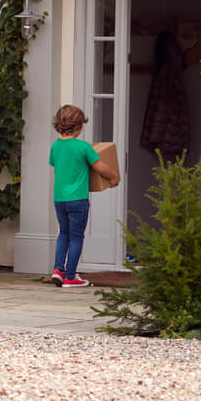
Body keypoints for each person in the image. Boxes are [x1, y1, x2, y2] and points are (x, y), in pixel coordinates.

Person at [49, 104, 120, 288]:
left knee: (63, 233)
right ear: (79, 126)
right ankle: (71, 276)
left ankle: (58, 270)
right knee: (76, 236)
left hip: (59, 199)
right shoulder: (83, 146)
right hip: (78, 200)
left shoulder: (55, 147)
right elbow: (100, 167)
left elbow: (57, 166)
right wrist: (113, 177)